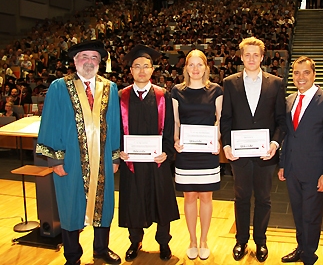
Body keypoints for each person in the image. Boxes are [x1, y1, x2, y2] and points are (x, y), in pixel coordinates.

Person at [36, 40, 121, 265]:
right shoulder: (59, 87)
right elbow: (50, 122)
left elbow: (113, 123)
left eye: (94, 58)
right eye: (84, 57)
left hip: (102, 159)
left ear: (100, 62)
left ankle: (101, 249)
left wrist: (114, 157)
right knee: (70, 204)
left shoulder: (109, 87)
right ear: (75, 60)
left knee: (104, 205)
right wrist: (55, 159)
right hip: (71, 159)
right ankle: (72, 255)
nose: (89, 62)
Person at [220, 36, 286, 262]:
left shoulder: (276, 83)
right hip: (239, 153)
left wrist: (275, 144)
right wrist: (226, 144)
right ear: (241, 56)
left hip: (265, 153)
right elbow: (226, 118)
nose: (251, 58)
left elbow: (281, 121)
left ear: (262, 56)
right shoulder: (229, 82)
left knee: (264, 199)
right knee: (241, 198)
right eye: (247, 54)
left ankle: (261, 241)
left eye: (255, 54)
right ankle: (241, 240)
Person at [118, 44, 179, 262]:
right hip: (131, 162)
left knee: (161, 201)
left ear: (153, 70)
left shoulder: (164, 96)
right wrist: (120, 152)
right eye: (137, 66)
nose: (142, 70)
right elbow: (116, 129)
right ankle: (135, 241)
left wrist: (167, 152)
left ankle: (163, 242)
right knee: (133, 201)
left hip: (157, 160)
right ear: (131, 71)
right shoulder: (121, 97)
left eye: (146, 66)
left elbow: (170, 128)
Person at [278, 56, 323, 265]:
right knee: (298, 212)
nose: (300, 77)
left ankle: (309, 255)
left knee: (311, 216)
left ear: (314, 74)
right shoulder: (289, 100)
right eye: (296, 72)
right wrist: (283, 164)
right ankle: (301, 247)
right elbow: (288, 136)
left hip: (316, 171)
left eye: (305, 72)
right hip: (293, 168)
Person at [172, 49, 223, 260]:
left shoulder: (216, 90)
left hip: (207, 152)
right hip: (186, 153)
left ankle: (204, 240)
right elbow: (176, 121)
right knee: (190, 196)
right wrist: (176, 140)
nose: (195, 69)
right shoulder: (177, 91)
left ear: (206, 67)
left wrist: (217, 141)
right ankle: (192, 240)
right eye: (191, 65)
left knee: (206, 196)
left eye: (199, 64)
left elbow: (219, 120)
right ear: (186, 68)